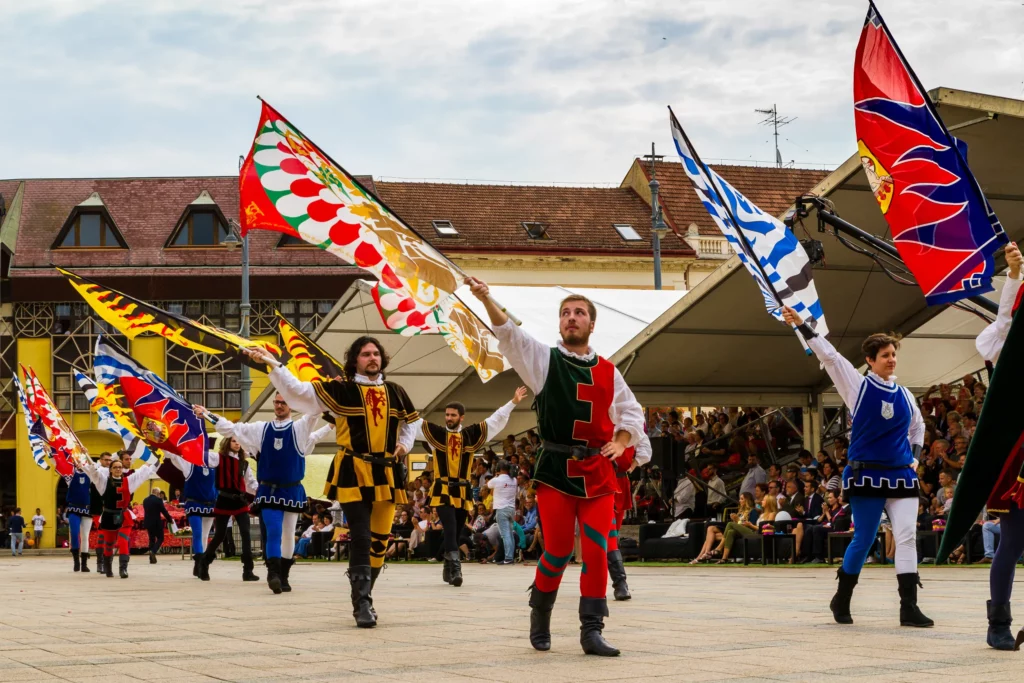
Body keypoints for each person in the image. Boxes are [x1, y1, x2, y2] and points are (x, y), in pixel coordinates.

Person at [468, 277, 645, 657]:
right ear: (560, 323)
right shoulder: (543, 360)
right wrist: (486, 298)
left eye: (579, 313)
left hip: (597, 471)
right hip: (555, 469)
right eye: (565, 313)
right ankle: (540, 613)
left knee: (597, 550)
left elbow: (632, 414)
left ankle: (592, 631)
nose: (571, 318)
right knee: (559, 551)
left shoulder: (609, 371)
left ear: (591, 324)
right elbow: (509, 336)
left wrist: (621, 441)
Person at [246, 336, 417, 627]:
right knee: (362, 537)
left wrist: (404, 445)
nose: (372, 358)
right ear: (355, 360)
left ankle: (366, 595)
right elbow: (298, 393)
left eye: (376, 353)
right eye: (365, 354)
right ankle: (361, 603)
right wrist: (273, 364)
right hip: (353, 469)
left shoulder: (396, 391)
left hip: (386, 472)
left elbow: (411, 422)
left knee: (379, 542)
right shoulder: (341, 389)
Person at [782, 305, 930, 628]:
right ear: (871, 360)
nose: (891, 359)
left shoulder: (906, 395)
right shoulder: (858, 387)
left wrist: (916, 457)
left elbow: (917, 429)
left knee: (906, 536)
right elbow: (832, 358)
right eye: (885, 355)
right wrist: (801, 326)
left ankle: (909, 607)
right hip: (867, 474)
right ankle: (842, 598)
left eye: (893, 354)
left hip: (902, 475)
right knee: (863, 538)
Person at [204, 394, 333, 595]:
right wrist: (207, 414)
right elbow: (232, 428)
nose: (279, 406)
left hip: (291, 489)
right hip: (269, 490)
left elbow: (315, 413)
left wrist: (330, 392)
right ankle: (273, 573)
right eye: (277, 402)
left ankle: (284, 575)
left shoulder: (299, 428)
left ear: (292, 405)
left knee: (289, 533)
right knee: (273, 530)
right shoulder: (261, 429)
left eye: (284, 402)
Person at [411, 387, 524, 587]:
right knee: (451, 526)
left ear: (461, 417)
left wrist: (513, 402)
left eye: (453, 415)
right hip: (443, 489)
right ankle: (455, 569)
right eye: (447, 414)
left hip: (462, 490)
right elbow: (411, 420)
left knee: (454, 533)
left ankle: (447, 566)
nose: (449, 418)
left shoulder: (472, 434)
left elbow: (495, 420)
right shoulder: (435, 433)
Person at [971, 241, 1024, 649]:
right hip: (1018, 458)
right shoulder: (1009, 347)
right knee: (1012, 541)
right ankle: (998, 624)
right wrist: (1013, 276)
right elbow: (1002, 327)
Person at [189, 425, 260, 583]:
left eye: (239, 441)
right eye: (234, 441)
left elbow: (251, 483)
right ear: (228, 442)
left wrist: (262, 493)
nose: (237, 444)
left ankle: (248, 570)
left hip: (240, 501)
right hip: (224, 500)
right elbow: (202, 456)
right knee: (219, 535)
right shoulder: (218, 458)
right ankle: (204, 564)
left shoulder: (244, 463)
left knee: (246, 534)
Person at [81, 453, 160, 578]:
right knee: (109, 544)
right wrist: (85, 454)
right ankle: (107, 567)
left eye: (120, 467)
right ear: (110, 470)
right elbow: (93, 471)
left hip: (123, 516)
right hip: (108, 515)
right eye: (115, 467)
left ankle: (123, 569)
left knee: (123, 541)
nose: (118, 469)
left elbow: (142, 473)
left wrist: (156, 459)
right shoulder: (103, 482)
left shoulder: (129, 481)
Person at [607, 434, 652, 601]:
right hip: (603, 479)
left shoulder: (630, 419)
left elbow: (645, 448)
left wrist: (634, 464)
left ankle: (611, 581)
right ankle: (620, 583)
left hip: (621, 481)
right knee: (609, 535)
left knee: (613, 534)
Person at [166, 447, 220, 582]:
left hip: (210, 504)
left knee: (205, 535)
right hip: (194, 503)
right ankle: (200, 562)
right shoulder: (190, 465)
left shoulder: (215, 467)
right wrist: (167, 446)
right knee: (197, 533)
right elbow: (174, 456)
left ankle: (200, 564)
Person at [713, 492, 760, 563]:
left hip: (751, 532)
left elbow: (751, 525)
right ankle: (724, 558)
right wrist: (736, 520)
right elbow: (738, 525)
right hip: (741, 532)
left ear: (747, 500)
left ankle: (719, 548)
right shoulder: (741, 512)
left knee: (729, 524)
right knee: (730, 532)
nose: (739, 501)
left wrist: (738, 520)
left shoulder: (753, 511)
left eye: (742, 499)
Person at [487, 460, 519, 566]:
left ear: (499, 469)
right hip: (511, 508)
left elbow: (488, 485)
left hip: (501, 508)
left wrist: (496, 476)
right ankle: (511, 556)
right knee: (510, 533)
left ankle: (508, 558)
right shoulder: (514, 479)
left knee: (505, 535)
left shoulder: (497, 480)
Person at [65, 465, 94, 572]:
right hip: (73, 507)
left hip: (87, 508)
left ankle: (84, 564)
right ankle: (76, 561)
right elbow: (59, 463)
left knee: (85, 535)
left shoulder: (91, 474)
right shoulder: (70, 474)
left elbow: (102, 465)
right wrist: (50, 453)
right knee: (74, 532)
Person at [142, 486, 174, 564]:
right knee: (160, 538)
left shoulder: (145, 500)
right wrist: (170, 520)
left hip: (148, 522)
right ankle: (153, 551)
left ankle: (151, 558)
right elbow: (164, 511)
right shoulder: (158, 500)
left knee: (151, 539)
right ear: (157, 493)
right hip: (156, 522)